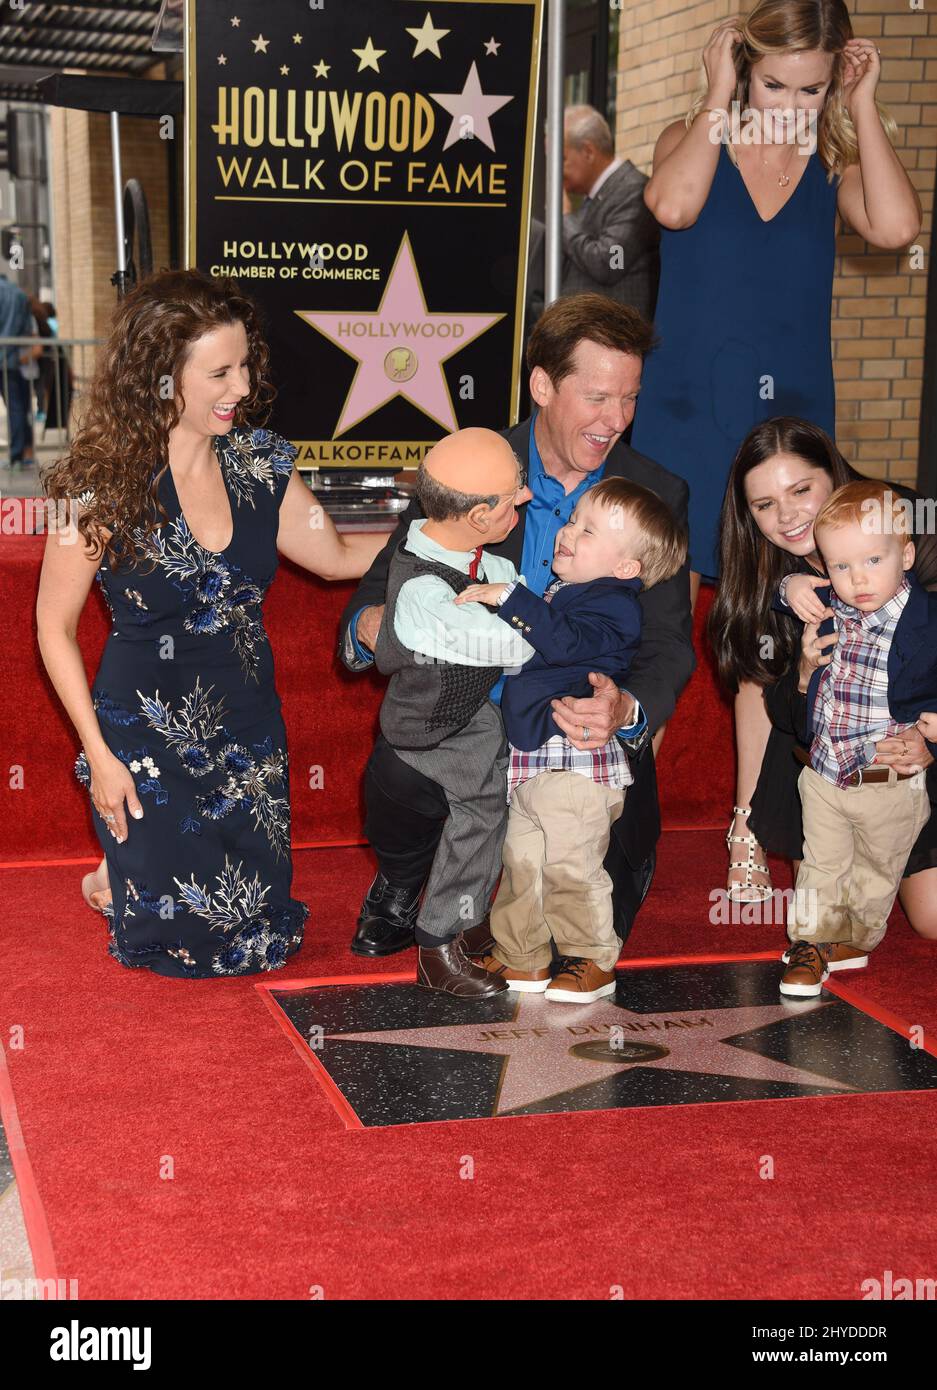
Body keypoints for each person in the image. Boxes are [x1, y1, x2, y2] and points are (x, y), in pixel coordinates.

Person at [636, 0, 922, 905]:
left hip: (781, 441)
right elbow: (672, 205)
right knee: (652, 635)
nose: (793, 105)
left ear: (832, 74)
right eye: (775, 84)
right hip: (682, 424)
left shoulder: (830, 162)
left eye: (811, 87)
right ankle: (609, 812)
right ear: (745, 67)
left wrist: (862, 104)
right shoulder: (693, 136)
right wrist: (720, 95)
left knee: (771, 642)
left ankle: (748, 831)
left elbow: (893, 231)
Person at [37, 269, 386, 978]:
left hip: (247, 722)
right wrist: (99, 757)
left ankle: (120, 872)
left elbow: (337, 556)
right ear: (162, 375)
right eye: (220, 371)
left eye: (246, 365)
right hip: (144, 732)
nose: (242, 387)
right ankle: (123, 870)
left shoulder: (261, 465)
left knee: (256, 935)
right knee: (179, 946)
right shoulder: (86, 485)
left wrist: (451, 539)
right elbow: (52, 627)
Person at [339, 293, 695, 959]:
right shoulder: (473, 461)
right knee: (399, 768)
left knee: (583, 942)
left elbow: (669, 639)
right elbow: (384, 577)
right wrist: (368, 623)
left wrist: (623, 708)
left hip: (576, 729)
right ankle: (404, 874)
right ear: (541, 384)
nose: (615, 419)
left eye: (629, 398)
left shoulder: (654, 492)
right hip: (470, 708)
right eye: (596, 397)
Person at [709, 416, 937, 944]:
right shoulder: (764, 567)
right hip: (821, 740)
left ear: (832, 476)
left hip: (913, 734)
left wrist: (928, 739)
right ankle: (754, 829)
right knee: (829, 891)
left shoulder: (901, 523)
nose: (786, 516)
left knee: (929, 919)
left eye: (801, 490)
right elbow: (756, 685)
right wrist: (747, 827)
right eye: (764, 505)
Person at [457, 478, 686, 1003]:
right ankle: (521, 953)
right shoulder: (568, 594)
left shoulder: (614, 603)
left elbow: (565, 642)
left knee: (569, 866)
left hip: (575, 765)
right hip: (536, 757)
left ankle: (590, 957)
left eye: (589, 530)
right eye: (572, 519)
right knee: (521, 862)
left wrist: (510, 599)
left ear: (627, 567)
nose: (568, 532)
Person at [374, 428, 535, 998]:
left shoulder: (482, 563)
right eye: (515, 499)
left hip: (473, 715)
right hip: (432, 728)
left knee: (507, 799)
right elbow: (518, 646)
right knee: (482, 811)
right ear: (479, 516)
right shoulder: (422, 589)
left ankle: (471, 922)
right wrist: (528, 614)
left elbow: (516, 618)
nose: (526, 502)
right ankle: (437, 941)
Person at [776, 482, 937, 996]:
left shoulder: (927, 622)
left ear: (906, 554)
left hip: (890, 782)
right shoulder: (830, 604)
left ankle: (858, 939)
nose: (858, 578)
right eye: (841, 566)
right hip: (825, 772)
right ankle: (807, 942)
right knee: (820, 864)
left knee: (875, 873)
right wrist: (790, 586)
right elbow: (776, 594)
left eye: (873, 559)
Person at [561, 106, 660, 323]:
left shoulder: (635, 192)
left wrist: (565, 218)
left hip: (614, 341)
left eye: (562, 158)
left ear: (588, 151)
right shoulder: (593, 198)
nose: (556, 170)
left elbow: (610, 263)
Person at [0, 270, 34, 469]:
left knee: (15, 407)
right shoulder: (18, 294)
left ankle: (16, 455)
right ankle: (17, 454)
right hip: (11, 359)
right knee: (16, 408)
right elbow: (26, 329)